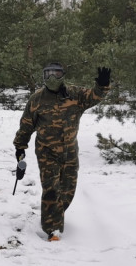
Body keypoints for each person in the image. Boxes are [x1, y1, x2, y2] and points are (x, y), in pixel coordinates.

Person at [13, 62, 111, 240]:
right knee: (51, 188)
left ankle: (55, 213)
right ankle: (53, 229)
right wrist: (20, 146)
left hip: (70, 151)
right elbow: (26, 125)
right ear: (43, 77)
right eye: (48, 73)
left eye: (56, 73)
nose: (52, 77)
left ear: (62, 75)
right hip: (46, 151)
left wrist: (102, 85)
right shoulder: (37, 100)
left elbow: (94, 96)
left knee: (67, 190)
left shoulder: (74, 95)